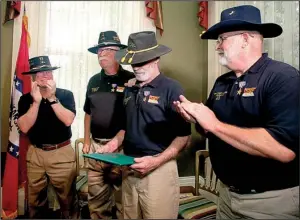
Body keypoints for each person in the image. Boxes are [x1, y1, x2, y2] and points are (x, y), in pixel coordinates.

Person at [174, 5, 299, 219]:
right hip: (226, 197)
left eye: (222, 39)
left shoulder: (283, 78)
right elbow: (211, 130)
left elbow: (284, 150)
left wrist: (214, 124)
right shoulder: (223, 82)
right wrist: (197, 119)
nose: (217, 47)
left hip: (270, 203)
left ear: (244, 39)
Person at [98, 31, 191, 219]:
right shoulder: (129, 88)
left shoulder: (172, 88)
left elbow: (184, 137)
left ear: (156, 58)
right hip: (129, 168)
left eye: (142, 62)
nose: (136, 68)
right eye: (133, 62)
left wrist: (156, 161)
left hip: (159, 170)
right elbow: (126, 127)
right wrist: (114, 143)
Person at [18, 56, 77, 218]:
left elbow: (68, 120)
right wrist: (36, 103)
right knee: (35, 202)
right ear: (32, 78)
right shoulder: (25, 100)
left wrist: (51, 98)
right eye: (40, 73)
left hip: (61, 152)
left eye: (48, 72)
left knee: (67, 202)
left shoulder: (65, 95)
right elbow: (24, 127)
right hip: (35, 154)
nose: (46, 76)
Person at [83, 30, 134, 219]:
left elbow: (135, 116)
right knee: (97, 201)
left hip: (123, 148)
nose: (101, 54)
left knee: (124, 201)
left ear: (118, 53)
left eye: (107, 50)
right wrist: (87, 140)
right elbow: (88, 112)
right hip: (97, 147)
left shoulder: (131, 79)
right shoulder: (93, 81)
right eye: (99, 51)